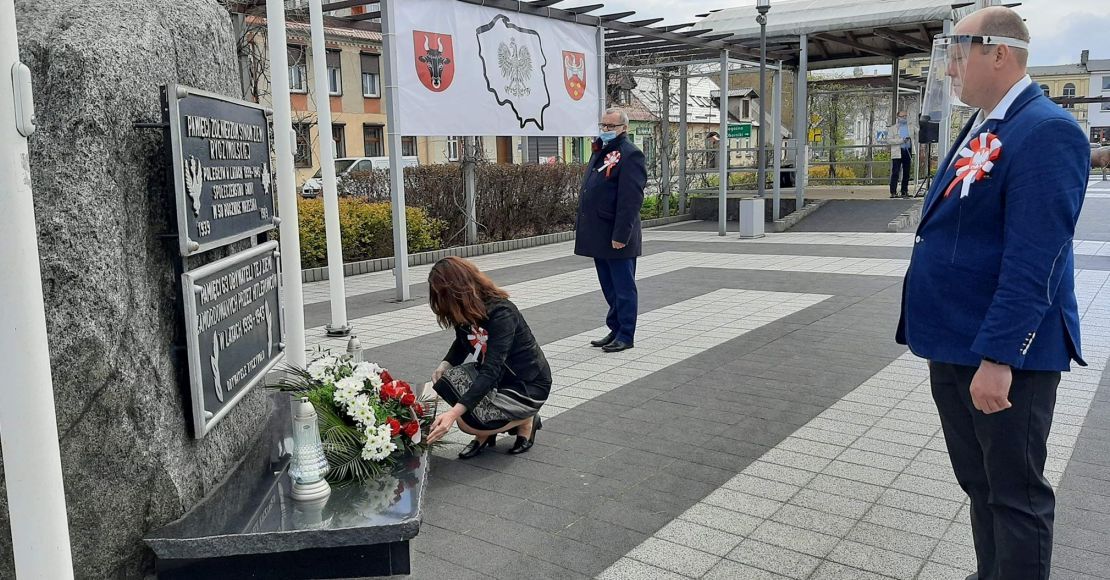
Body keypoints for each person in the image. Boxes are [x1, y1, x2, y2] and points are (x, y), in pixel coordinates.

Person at [896, 7, 1090, 580]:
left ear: (998, 53)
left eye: (958, 54)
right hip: (956, 342)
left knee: (1014, 494)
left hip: (1003, 357)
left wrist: (1000, 356)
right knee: (981, 485)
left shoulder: (1046, 130)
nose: (949, 68)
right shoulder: (987, 123)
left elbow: (1037, 259)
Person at [425, 257, 552, 458]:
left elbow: (492, 369)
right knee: (447, 381)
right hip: (498, 378)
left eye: (442, 295)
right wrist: (445, 364)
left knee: (466, 424)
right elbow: (462, 341)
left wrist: (452, 415)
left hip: (527, 384)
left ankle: (527, 419)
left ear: (458, 290)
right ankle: (486, 433)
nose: (440, 302)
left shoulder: (502, 313)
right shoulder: (466, 308)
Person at [575, 108, 647, 353]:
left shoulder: (630, 154)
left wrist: (621, 235)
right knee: (609, 286)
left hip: (617, 235)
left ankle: (626, 335)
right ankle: (615, 329)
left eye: (611, 126)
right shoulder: (602, 150)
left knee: (623, 288)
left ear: (624, 128)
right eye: (603, 125)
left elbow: (631, 199)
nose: (605, 130)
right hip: (599, 233)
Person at [887, 110, 916, 198]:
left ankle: (904, 191)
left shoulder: (910, 127)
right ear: (898, 117)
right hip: (898, 152)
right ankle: (893, 192)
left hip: (908, 151)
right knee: (895, 172)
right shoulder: (893, 128)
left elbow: (919, 132)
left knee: (906, 172)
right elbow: (889, 140)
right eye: (902, 116)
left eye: (905, 116)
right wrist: (901, 140)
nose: (904, 118)